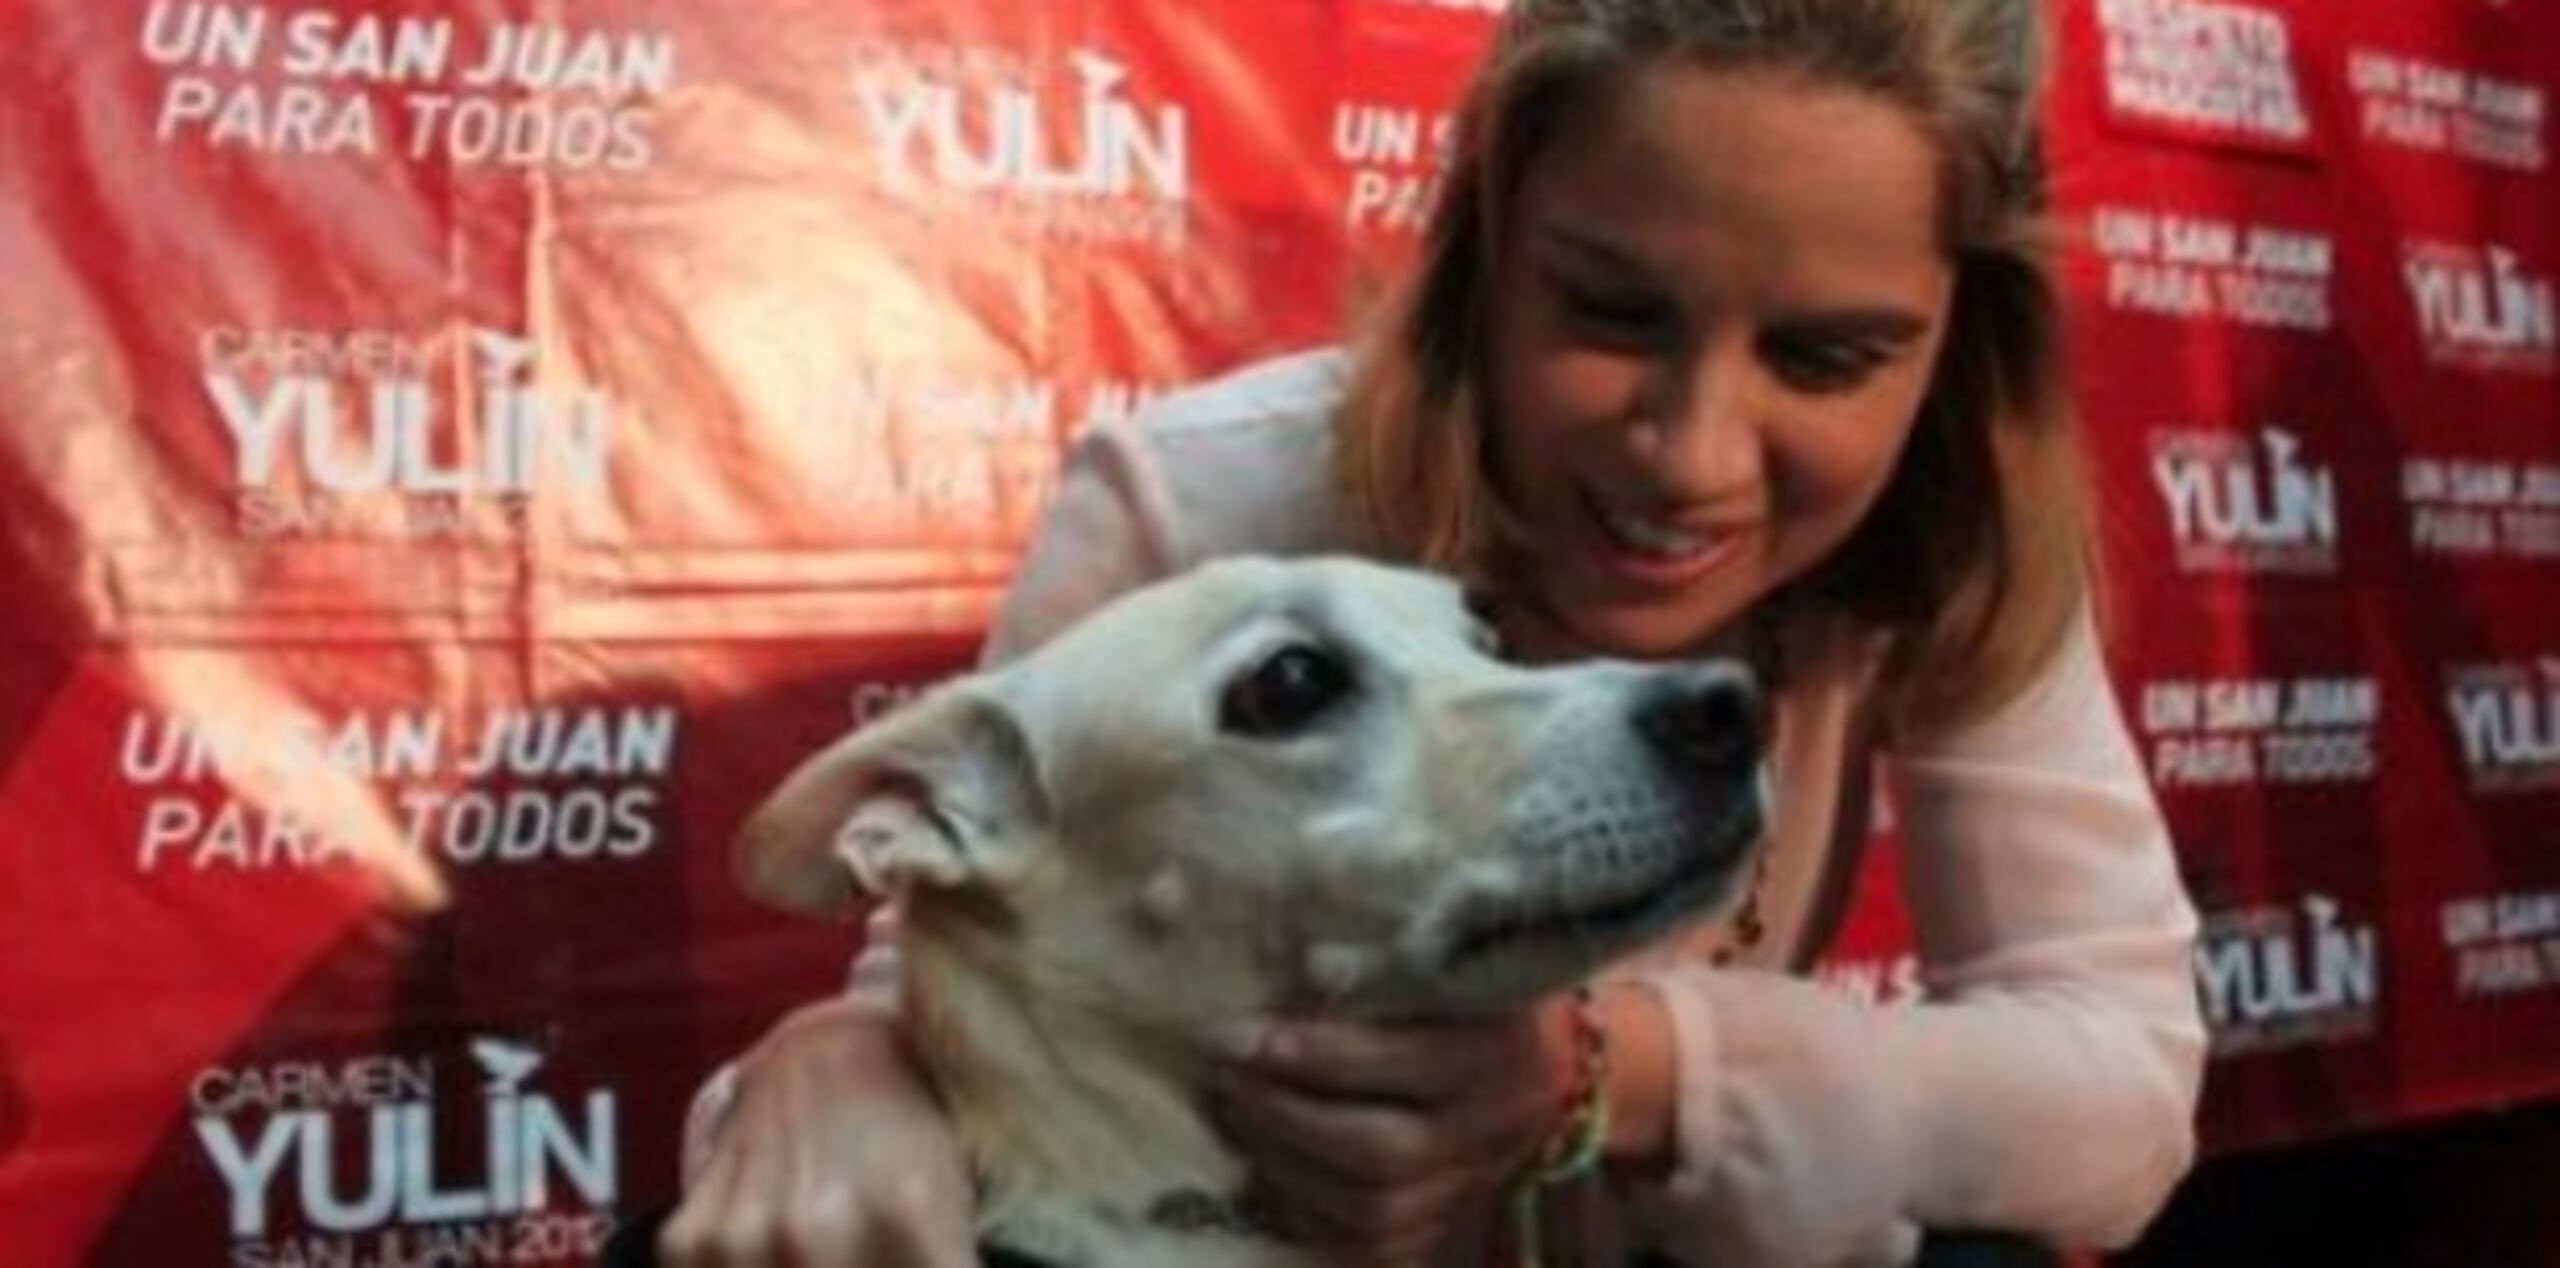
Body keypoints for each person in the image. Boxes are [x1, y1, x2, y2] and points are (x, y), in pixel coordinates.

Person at [658, 0, 2207, 1263]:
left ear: (1955, 344)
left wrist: (1617, 1075)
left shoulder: (1942, 539)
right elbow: (989, 955)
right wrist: (846, 1068)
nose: (1693, 456)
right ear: (1487, 242)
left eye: (1826, 358)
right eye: (1613, 313)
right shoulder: (1201, 500)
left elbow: (2119, 1087)